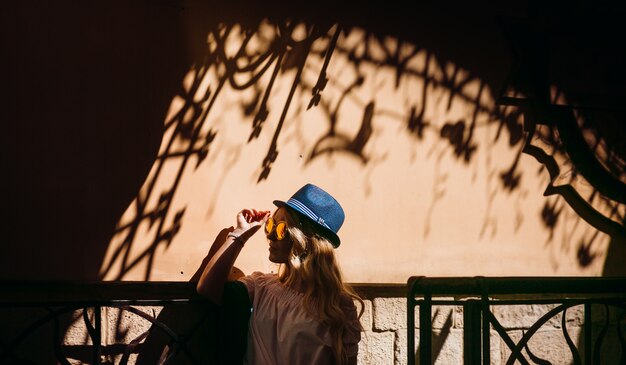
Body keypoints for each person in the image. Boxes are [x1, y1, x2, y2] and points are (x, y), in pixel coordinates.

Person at [196, 183, 363, 365]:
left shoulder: (337, 307)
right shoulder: (262, 286)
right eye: (270, 225)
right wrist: (241, 233)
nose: (270, 235)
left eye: (281, 229)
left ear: (305, 241)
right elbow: (207, 288)